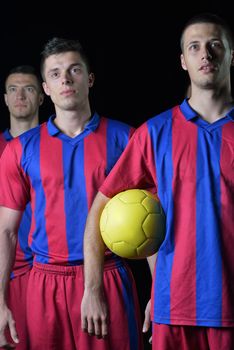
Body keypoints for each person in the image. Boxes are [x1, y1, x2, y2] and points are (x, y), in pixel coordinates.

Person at [81, 13, 234, 350]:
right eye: (194, 47)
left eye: (215, 45)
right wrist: (92, 288)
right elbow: (101, 206)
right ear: (183, 61)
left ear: (231, 54)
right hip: (174, 308)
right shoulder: (155, 132)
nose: (205, 54)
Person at [0, 37, 144, 350]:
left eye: (74, 70)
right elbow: (7, 233)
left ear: (89, 79)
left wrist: (160, 295)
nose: (65, 78)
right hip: (44, 281)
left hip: (107, 276)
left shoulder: (126, 138)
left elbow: (152, 223)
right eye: (54, 74)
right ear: (46, 89)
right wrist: (0, 302)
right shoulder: (20, 149)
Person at [0, 65, 44, 349]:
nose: (20, 96)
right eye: (13, 89)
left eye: (28, 89)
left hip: (48, 271)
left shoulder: (60, 144)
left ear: (42, 96)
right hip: (7, 273)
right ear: (4, 98)